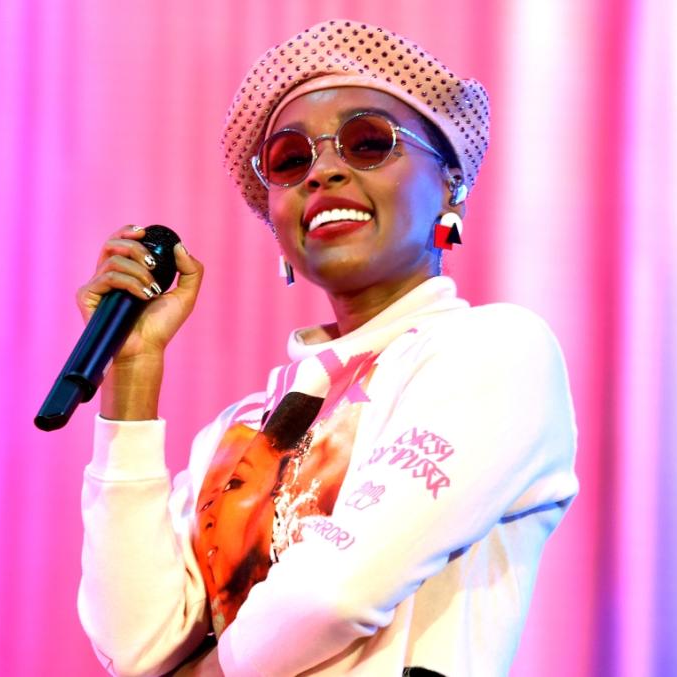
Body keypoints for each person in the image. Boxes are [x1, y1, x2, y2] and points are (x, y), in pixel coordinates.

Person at [76, 19, 579, 676]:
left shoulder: (497, 351)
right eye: (292, 160)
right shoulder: (238, 431)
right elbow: (136, 646)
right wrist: (132, 379)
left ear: (450, 184)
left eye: (368, 144)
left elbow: (337, 589)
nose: (325, 171)